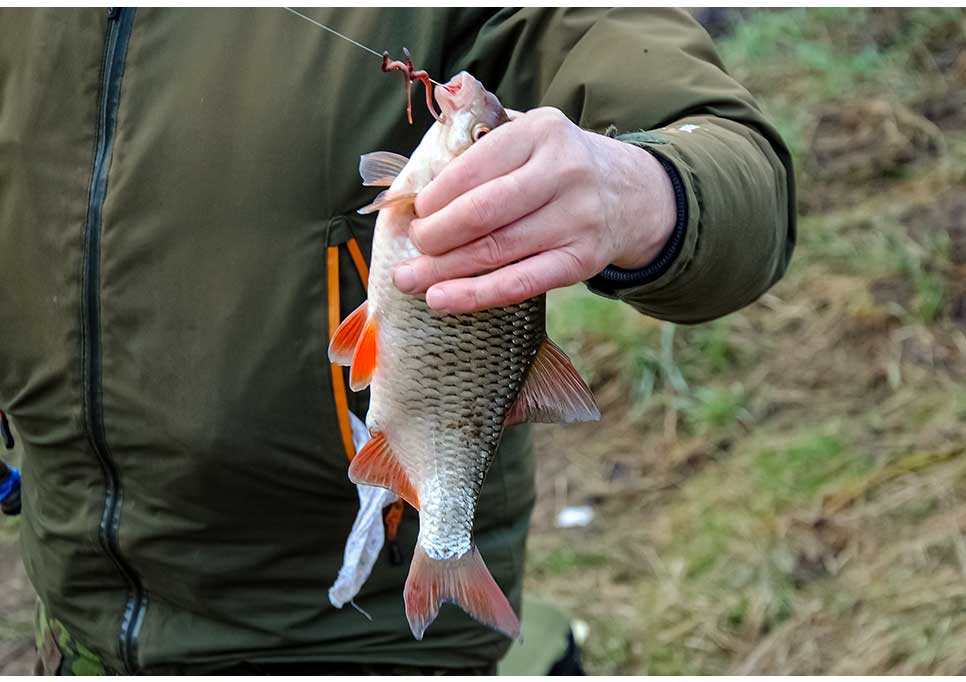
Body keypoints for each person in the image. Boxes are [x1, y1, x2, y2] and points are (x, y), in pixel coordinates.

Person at [0, 8, 795, 675]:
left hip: (357, 640)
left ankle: (441, 557)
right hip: (69, 621)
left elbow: (743, 172)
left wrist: (638, 190)